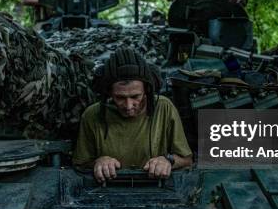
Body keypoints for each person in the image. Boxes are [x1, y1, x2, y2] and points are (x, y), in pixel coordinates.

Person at [73, 48, 193, 183]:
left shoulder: (163, 107)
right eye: (120, 97)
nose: (129, 105)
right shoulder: (92, 115)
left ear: (146, 91)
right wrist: (99, 162)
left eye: (135, 96)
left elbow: (187, 160)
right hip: (107, 190)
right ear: (109, 93)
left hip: (154, 188)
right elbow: (80, 164)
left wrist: (167, 160)